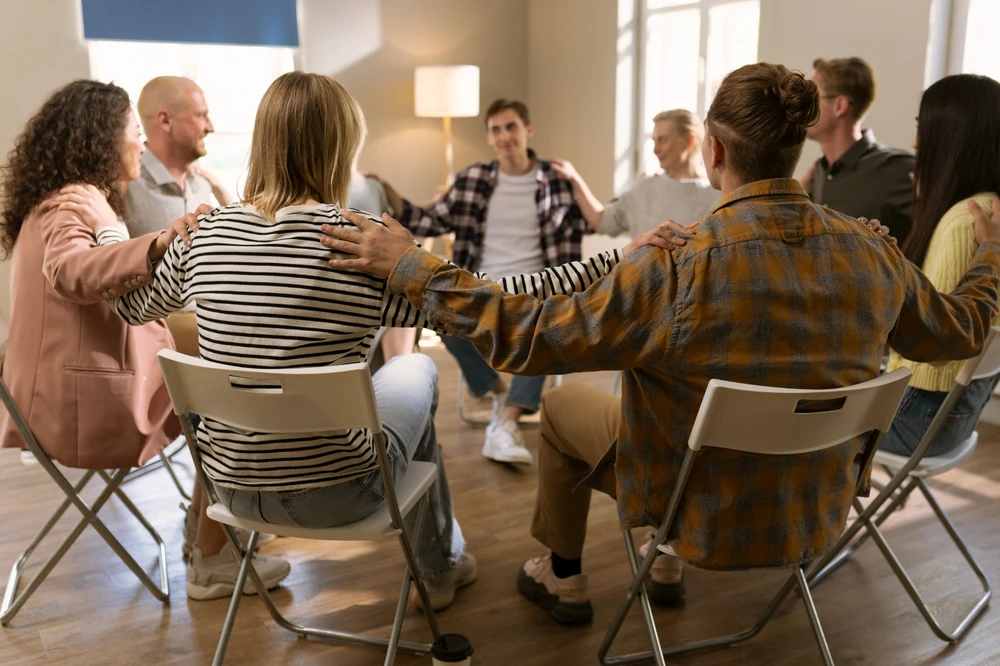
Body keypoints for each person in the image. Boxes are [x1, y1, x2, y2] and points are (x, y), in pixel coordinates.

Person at [320, 62, 1000, 625]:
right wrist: (990, 262)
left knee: (560, 412)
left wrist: (414, 266)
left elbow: (524, 338)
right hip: (813, 510)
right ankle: (659, 563)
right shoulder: (871, 253)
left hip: (697, 509)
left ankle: (566, 577)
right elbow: (960, 331)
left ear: (715, 151)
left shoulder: (675, 267)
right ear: (792, 147)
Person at [59, 72, 686, 611]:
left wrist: (114, 237)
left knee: (402, 379)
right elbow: (502, 297)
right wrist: (616, 260)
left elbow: (132, 303)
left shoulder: (203, 237)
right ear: (340, 149)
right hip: (341, 494)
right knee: (412, 372)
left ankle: (442, 563)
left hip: (229, 492)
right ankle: (439, 567)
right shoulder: (358, 248)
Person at [0, 79, 290, 601]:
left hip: (54, 393)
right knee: (235, 401)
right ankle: (212, 555)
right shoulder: (73, 202)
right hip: (81, 404)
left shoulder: (67, 199)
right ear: (101, 140)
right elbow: (68, 270)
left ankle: (210, 531)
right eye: (133, 131)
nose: (138, 142)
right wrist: (158, 243)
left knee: (221, 386)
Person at [370, 99, 588, 466]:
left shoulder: (556, 181)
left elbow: (598, 221)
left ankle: (505, 423)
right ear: (489, 137)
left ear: (527, 130)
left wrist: (578, 179)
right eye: (497, 130)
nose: (505, 137)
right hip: (483, 285)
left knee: (549, 328)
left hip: (540, 288)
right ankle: (499, 393)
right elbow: (426, 220)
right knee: (438, 313)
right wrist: (386, 188)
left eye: (512, 127)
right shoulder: (473, 180)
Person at [882, 74, 1000, 457]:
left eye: (922, 127)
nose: (916, 142)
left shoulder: (964, 222)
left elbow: (935, 341)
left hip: (917, 419)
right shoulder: (988, 211)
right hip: (955, 419)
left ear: (952, 136)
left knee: (791, 421)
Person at [126, 76, 232, 358]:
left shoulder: (205, 185)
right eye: (201, 115)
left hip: (210, 348)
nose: (210, 126)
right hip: (150, 352)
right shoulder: (125, 185)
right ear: (165, 120)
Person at [551, 109, 719, 235]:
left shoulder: (716, 196)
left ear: (689, 141)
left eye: (663, 140)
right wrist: (574, 178)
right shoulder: (644, 187)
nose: (655, 149)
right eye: (654, 140)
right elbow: (601, 221)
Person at [803, 57, 916, 245]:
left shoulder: (897, 169)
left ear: (840, 106)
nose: (802, 107)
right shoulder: (818, 172)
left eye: (811, 98)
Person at [349, 147, 418, 365]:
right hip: (349, 282)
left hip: (379, 281)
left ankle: (397, 374)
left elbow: (409, 221)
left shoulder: (372, 187)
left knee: (405, 299)